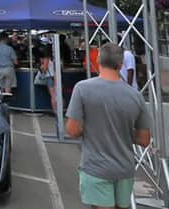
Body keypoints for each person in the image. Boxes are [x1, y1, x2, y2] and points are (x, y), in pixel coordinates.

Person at [66, 43, 151, 209]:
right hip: (125, 169)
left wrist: (93, 129)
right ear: (121, 65)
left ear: (98, 60)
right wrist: (122, 131)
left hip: (95, 168)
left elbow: (72, 130)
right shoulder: (135, 96)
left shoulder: (82, 88)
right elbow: (144, 139)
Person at [38, 46, 57, 114]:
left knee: (53, 95)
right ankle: (59, 109)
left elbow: (45, 69)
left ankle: (55, 111)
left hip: (50, 77)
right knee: (57, 94)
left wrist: (41, 66)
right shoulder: (54, 58)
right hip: (55, 76)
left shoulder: (46, 58)